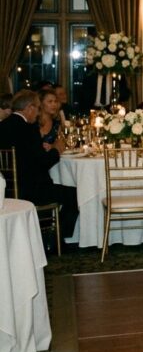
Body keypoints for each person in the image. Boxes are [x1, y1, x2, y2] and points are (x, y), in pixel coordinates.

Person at [0, 90, 79, 249]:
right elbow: (42, 163)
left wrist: (42, 149)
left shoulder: (3, 126)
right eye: (37, 108)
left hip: (8, 189)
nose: (37, 114)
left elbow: (27, 157)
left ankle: (47, 236)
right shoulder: (29, 129)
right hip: (32, 190)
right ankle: (55, 239)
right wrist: (56, 150)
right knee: (74, 194)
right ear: (29, 108)